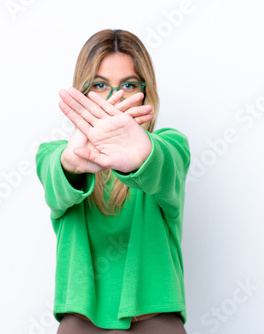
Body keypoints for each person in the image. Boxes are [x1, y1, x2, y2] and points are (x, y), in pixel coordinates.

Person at [35, 29, 191, 333]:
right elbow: (55, 176)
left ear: (145, 92)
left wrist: (142, 153)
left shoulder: (170, 145)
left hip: (156, 321)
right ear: (83, 91)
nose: (113, 98)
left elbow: (166, 164)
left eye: (129, 85)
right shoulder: (54, 154)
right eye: (100, 85)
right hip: (81, 323)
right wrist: (71, 162)